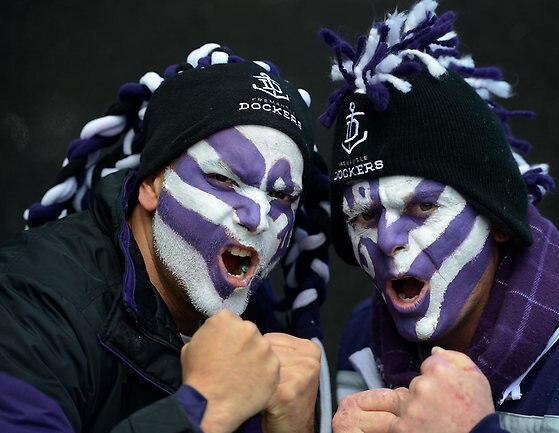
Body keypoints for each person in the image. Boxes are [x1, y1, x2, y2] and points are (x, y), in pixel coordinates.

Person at [318, 1, 559, 432]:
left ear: (496, 218)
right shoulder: (365, 339)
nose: (386, 240)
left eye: (422, 207)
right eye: (364, 215)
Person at [0, 42, 332, 433]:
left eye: (281, 197)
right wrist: (202, 409)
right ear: (152, 186)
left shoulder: (259, 327)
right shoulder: (31, 303)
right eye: (224, 179)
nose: (257, 218)